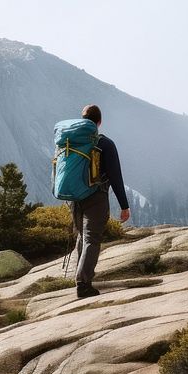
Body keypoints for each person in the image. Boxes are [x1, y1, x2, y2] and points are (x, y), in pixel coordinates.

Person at [73, 104, 130, 298]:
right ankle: (83, 283)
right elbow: (115, 176)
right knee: (92, 239)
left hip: (74, 197)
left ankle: (81, 278)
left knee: (82, 236)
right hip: (96, 197)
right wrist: (124, 206)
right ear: (99, 122)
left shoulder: (72, 142)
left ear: (83, 120)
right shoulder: (105, 143)